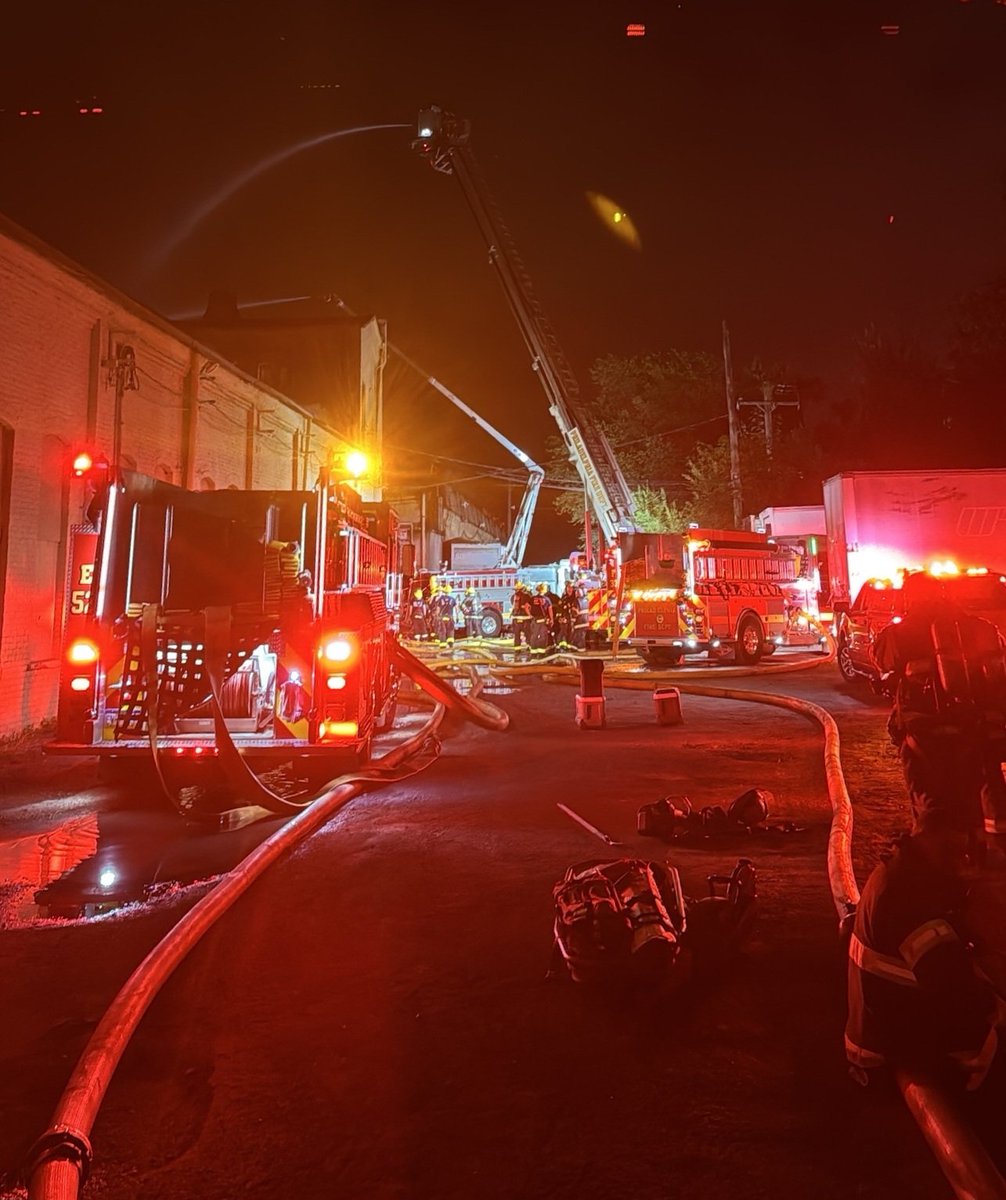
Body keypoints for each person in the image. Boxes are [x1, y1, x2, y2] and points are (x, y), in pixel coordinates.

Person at [845, 811, 1002, 1090]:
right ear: (944, 841)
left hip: (877, 1033)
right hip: (897, 1051)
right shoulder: (912, 897)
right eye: (962, 849)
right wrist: (995, 1003)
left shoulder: (899, 869)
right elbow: (953, 986)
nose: (966, 858)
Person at [872, 570, 1006, 849]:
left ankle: (933, 852)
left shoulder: (902, 633)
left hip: (924, 731)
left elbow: (882, 658)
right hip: (975, 727)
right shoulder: (979, 627)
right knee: (979, 790)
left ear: (910, 597)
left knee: (927, 796)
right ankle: (985, 849)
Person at [529, 582, 554, 654]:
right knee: (543, 636)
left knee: (534, 635)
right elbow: (550, 610)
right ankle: (541, 652)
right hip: (543, 620)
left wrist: (530, 615)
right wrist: (552, 619)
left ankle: (533, 652)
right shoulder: (547, 599)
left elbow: (527, 606)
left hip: (535, 620)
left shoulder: (532, 598)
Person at [556, 581, 580, 650]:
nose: (569, 589)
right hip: (564, 617)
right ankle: (560, 645)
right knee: (563, 631)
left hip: (572, 618)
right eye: (568, 588)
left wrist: (574, 610)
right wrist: (560, 617)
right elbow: (559, 608)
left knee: (571, 632)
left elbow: (577, 609)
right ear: (566, 589)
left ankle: (569, 646)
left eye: (571, 588)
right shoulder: (564, 598)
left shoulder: (575, 599)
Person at [432, 583, 457, 648]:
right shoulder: (453, 599)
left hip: (442, 617)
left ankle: (443, 645)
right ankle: (450, 644)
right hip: (450, 617)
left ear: (444, 591)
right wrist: (455, 618)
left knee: (442, 631)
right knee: (450, 630)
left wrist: (437, 616)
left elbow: (438, 609)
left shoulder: (440, 599)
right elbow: (455, 609)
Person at [512, 582, 532, 652]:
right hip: (525, 618)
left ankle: (517, 649)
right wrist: (530, 615)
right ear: (522, 588)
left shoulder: (513, 597)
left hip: (516, 618)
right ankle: (529, 646)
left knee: (517, 635)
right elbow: (527, 607)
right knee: (528, 634)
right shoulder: (527, 596)